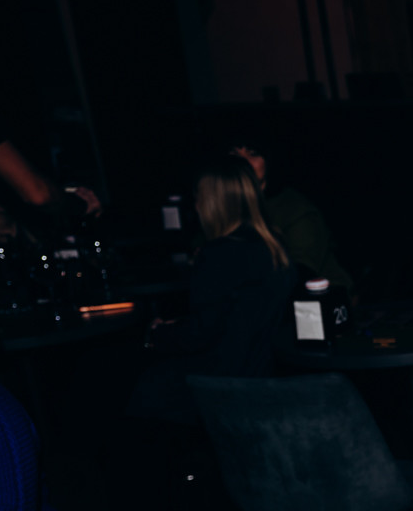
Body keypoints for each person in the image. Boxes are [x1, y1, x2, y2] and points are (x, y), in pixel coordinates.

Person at [128, 155, 298, 423]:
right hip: (261, 375)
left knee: (131, 381)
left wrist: (158, 333)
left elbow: (202, 334)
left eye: (198, 197)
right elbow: (233, 316)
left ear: (212, 202)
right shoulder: (274, 246)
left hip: (222, 385)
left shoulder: (221, 253)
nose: (195, 206)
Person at [229, 138, 356, 294]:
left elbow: (301, 273)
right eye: (234, 154)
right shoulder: (223, 206)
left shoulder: (295, 209)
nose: (242, 161)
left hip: (325, 298)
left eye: (253, 154)